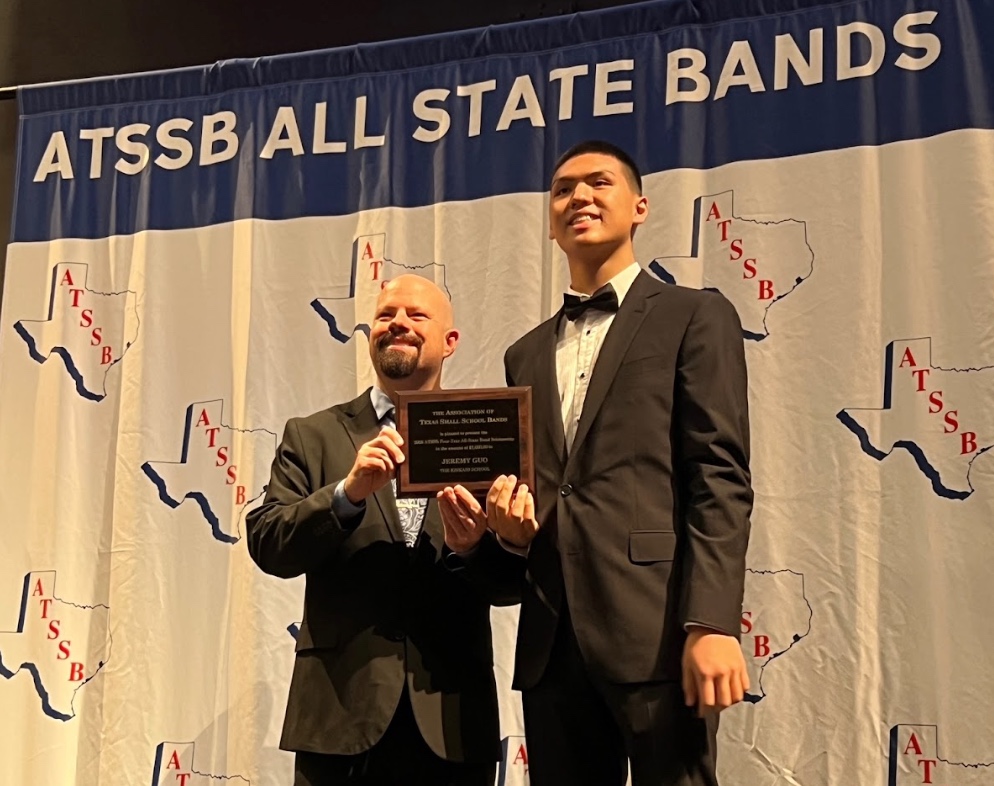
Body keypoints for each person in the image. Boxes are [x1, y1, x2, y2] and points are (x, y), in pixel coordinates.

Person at [439, 140, 753, 786]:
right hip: (552, 647)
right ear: (552, 222)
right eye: (562, 189)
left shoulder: (697, 316)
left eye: (598, 183)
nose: (579, 197)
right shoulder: (522, 355)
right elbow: (545, 503)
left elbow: (719, 479)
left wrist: (711, 623)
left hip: (661, 635)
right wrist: (499, 538)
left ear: (639, 206)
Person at [246, 274, 519, 786]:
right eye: (387, 314)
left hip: (452, 723)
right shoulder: (313, 435)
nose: (399, 323)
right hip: (338, 718)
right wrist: (345, 495)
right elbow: (268, 545)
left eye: (417, 316)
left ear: (450, 341)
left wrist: (475, 548)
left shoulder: (487, 434)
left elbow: (513, 585)